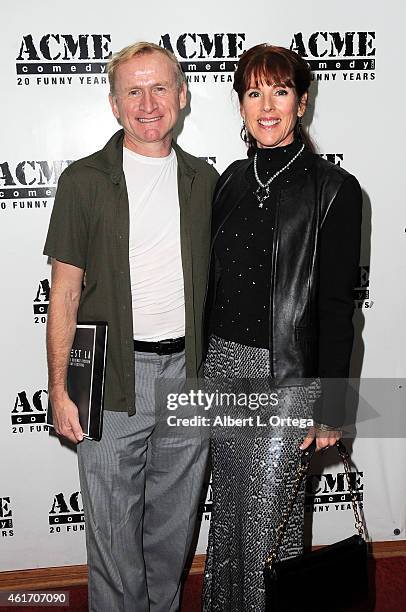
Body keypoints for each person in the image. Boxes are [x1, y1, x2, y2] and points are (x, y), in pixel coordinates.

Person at [44, 41, 218, 612]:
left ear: (183, 97)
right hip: (107, 371)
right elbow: (65, 294)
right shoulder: (83, 181)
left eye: (160, 87)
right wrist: (59, 388)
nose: (148, 102)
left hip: (190, 374)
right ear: (115, 105)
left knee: (172, 533)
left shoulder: (205, 180)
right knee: (114, 536)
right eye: (133, 90)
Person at [202, 44, 362, 611]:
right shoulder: (229, 183)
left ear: (302, 102)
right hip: (221, 367)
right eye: (253, 92)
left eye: (280, 91)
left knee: (272, 525)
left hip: (288, 378)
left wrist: (333, 407)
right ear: (241, 104)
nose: (266, 105)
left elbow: (340, 309)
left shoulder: (335, 190)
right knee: (230, 517)